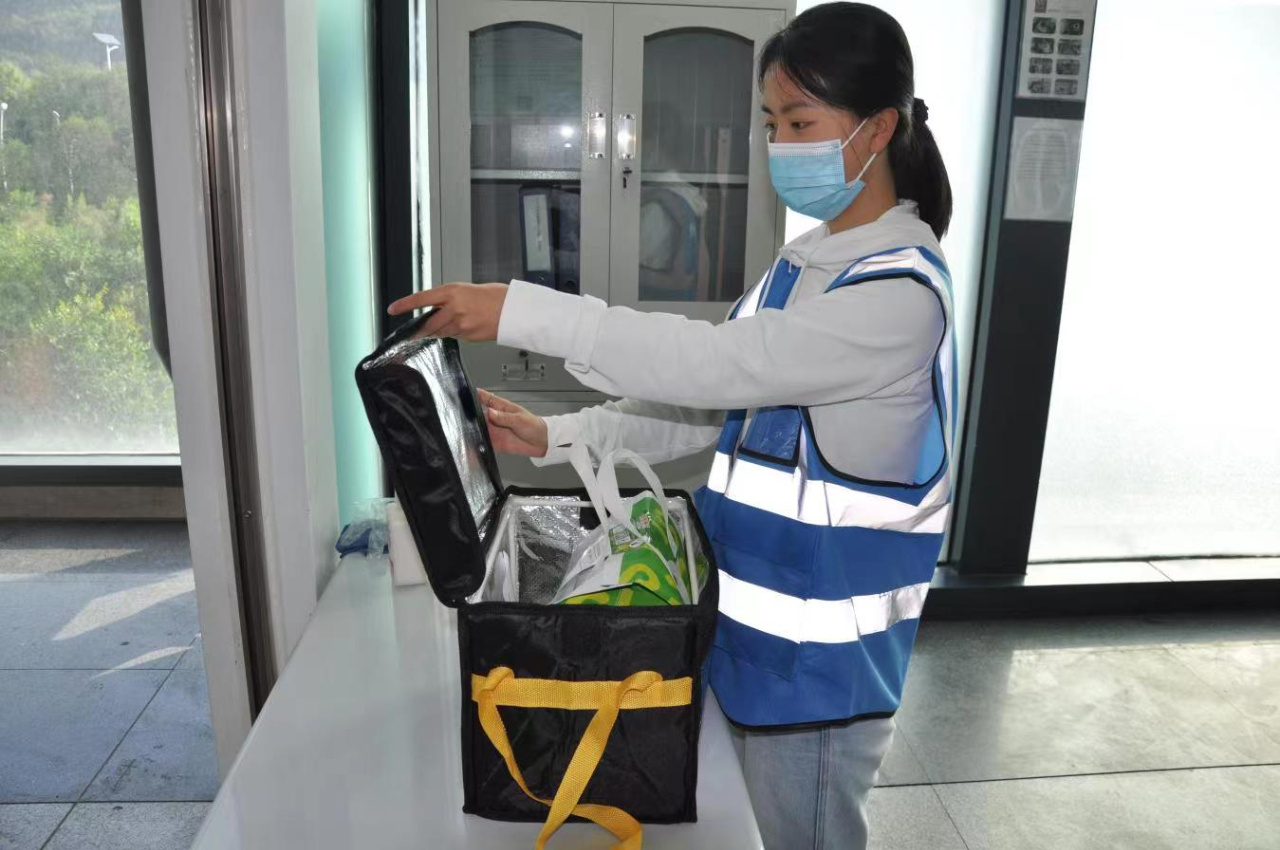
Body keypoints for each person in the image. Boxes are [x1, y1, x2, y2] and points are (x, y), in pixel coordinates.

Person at [388, 4, 955, 848]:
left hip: (817, 684)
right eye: (771, 122)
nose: (780, 144)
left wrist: (521, 311)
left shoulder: (897, 296)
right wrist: (563, 436)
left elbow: (711, 366)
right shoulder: (805, 266)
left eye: (801, 122)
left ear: (878, 128)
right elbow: (710, 414)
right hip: (741, 646)